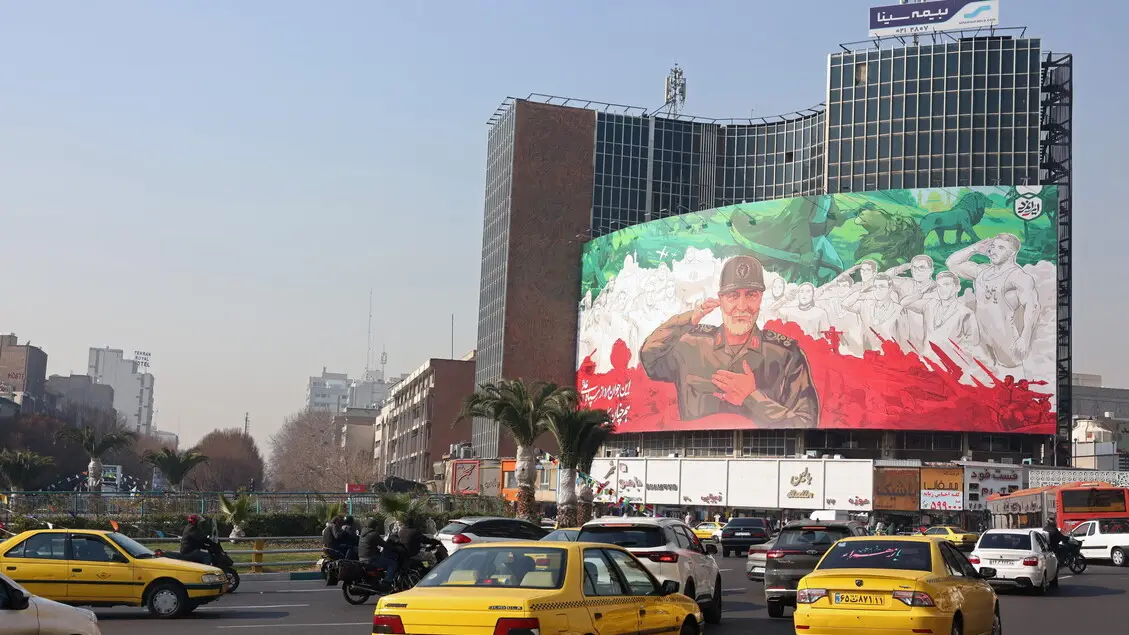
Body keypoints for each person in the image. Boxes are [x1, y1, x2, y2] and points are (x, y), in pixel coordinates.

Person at [639, 254, 820, 428]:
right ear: (721, 299)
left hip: (762, 449)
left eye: (751, 295)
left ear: (760, 298)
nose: (742, 306)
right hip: (696, 448)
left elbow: (806, 423)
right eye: (733, 296)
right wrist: (688, 320)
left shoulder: (786, 355)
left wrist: (752, 398)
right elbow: (649, 358)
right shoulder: (690, 344)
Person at [946, 234, 1040, 376]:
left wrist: (1024, 338)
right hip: (981, 336)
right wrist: (975, 248)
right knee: (982, 377)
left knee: (1011, 376)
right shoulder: (981, 271)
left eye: (1001, 248)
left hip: (1004, 336)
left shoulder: (1019, 277)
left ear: (1012, 253)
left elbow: (1033, 307)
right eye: (993, 246)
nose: (994, 251)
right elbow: (952, 263)